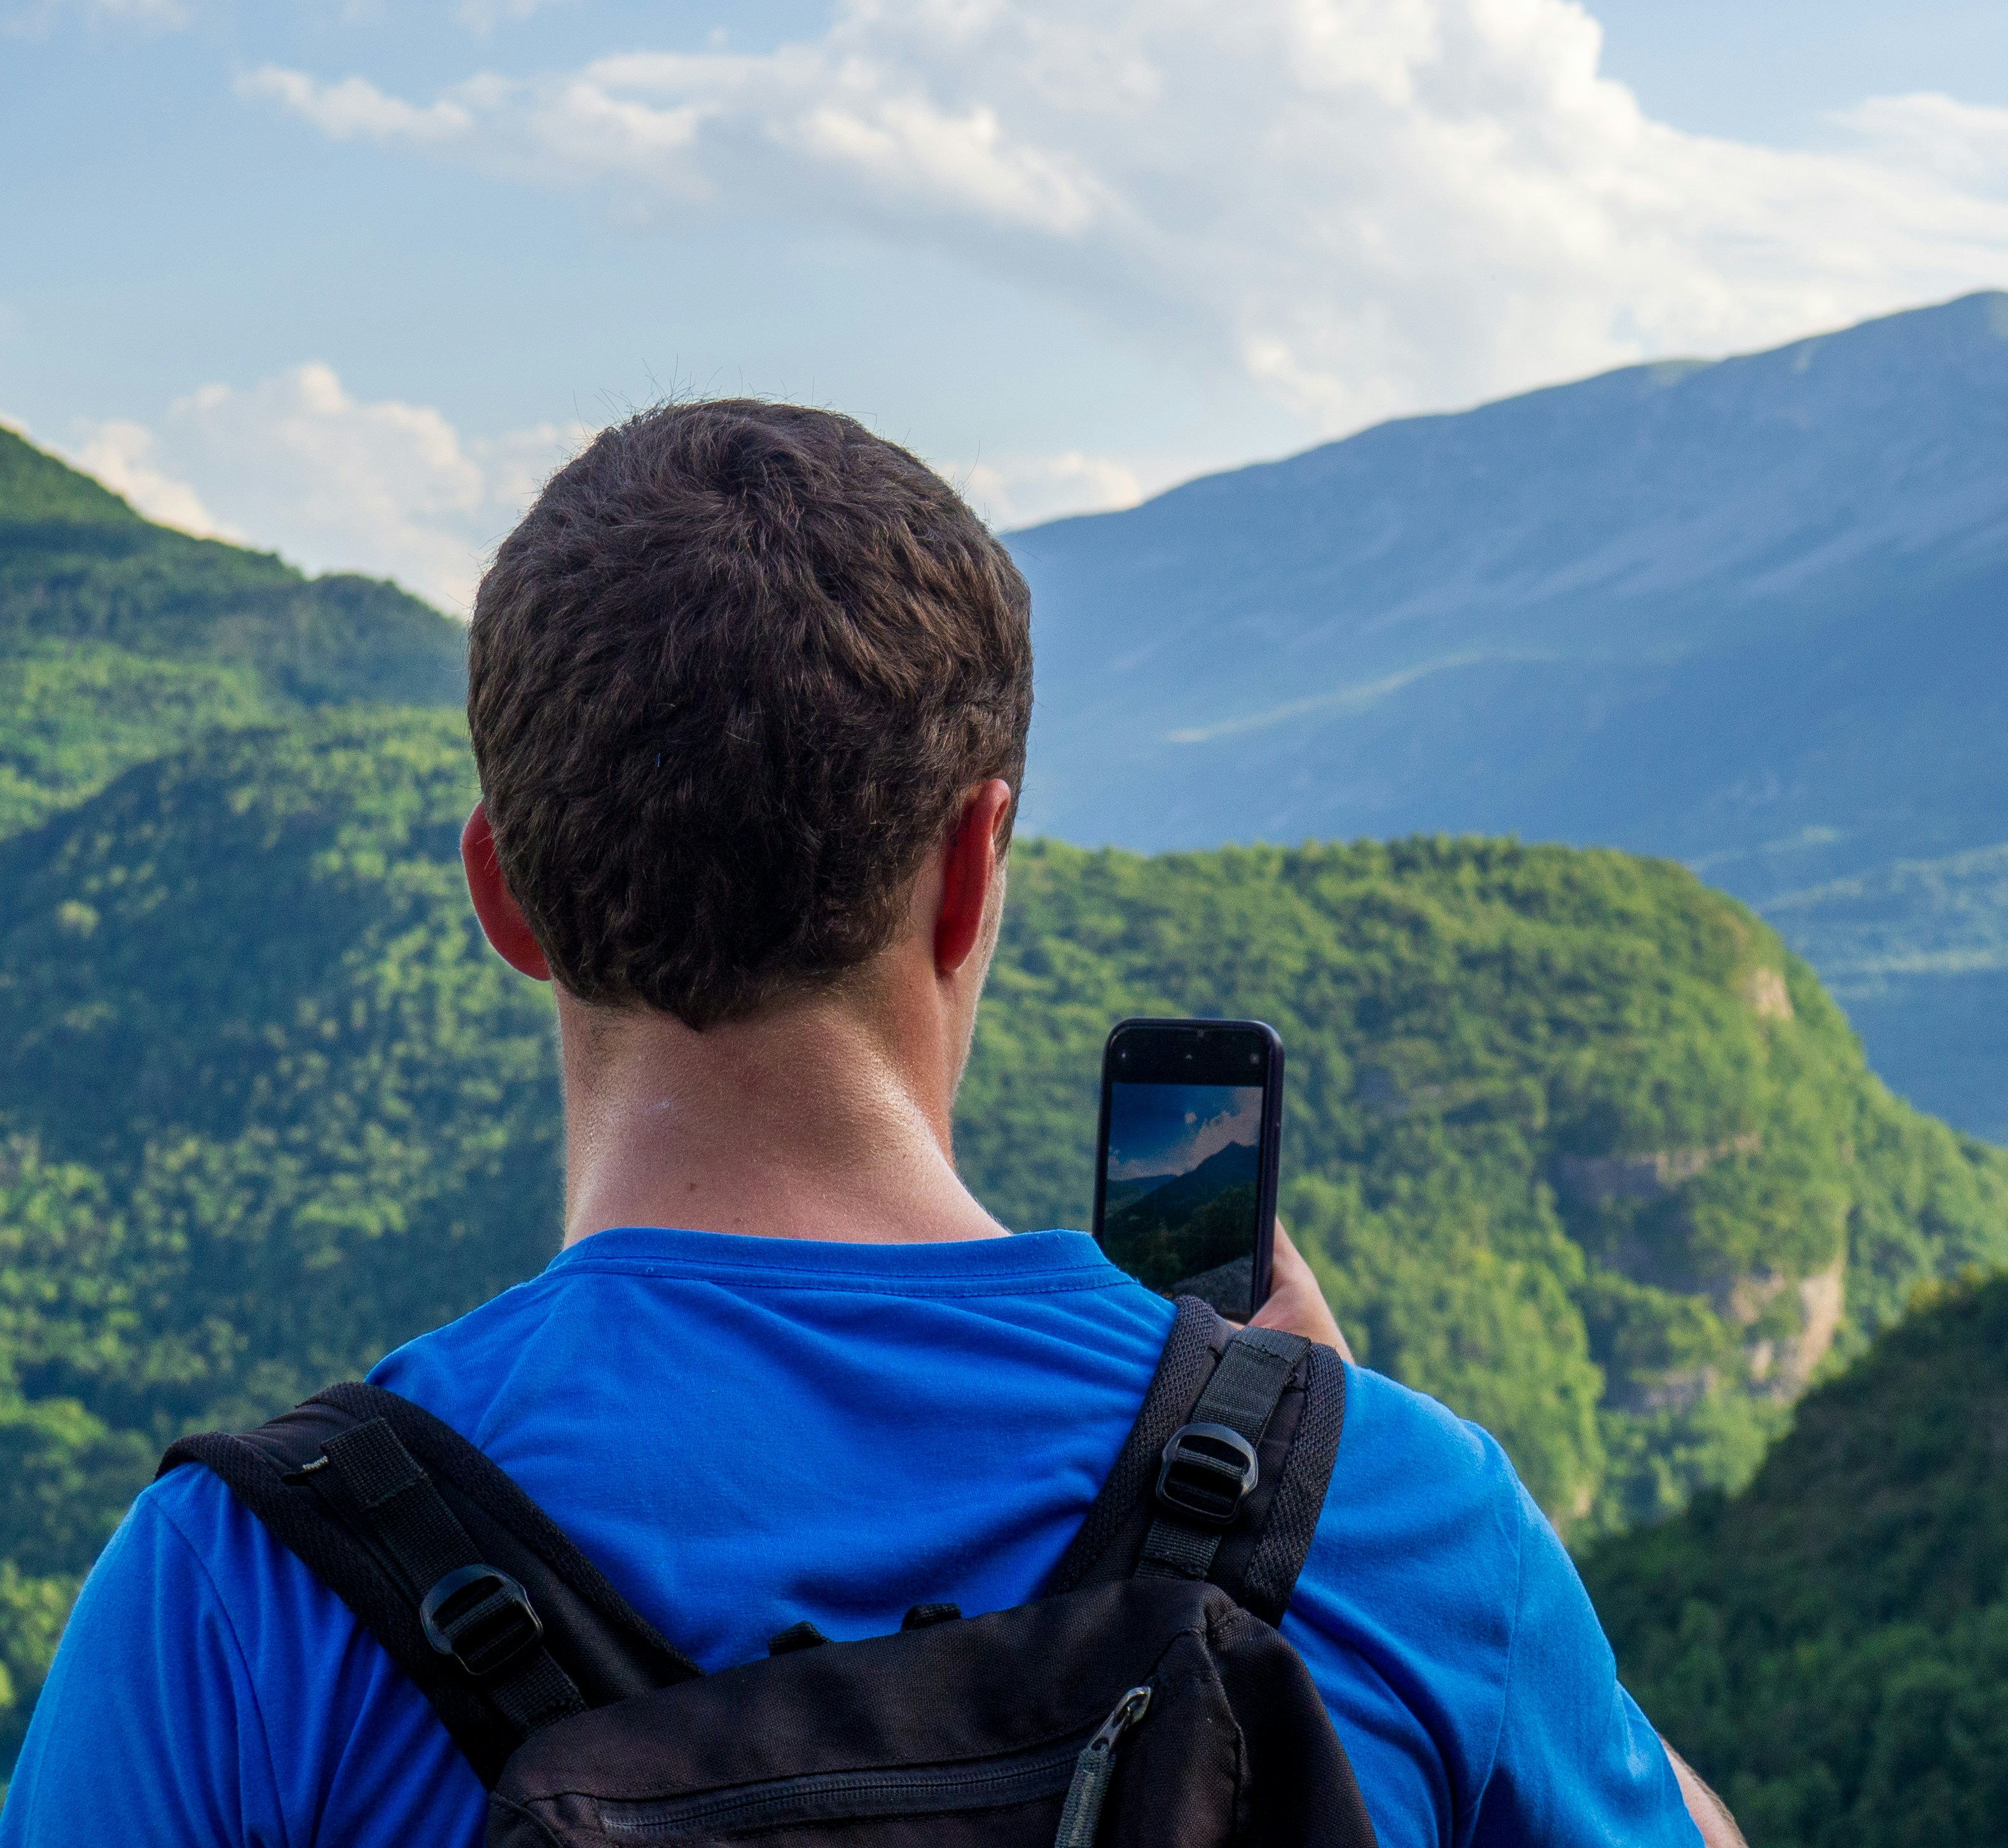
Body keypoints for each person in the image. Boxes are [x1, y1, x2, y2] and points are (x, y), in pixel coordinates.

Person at [1, 401, 1743, 1848]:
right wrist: (1317, 1459)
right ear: (975, 870)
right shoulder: (1403, 1517)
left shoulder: (233, 1600)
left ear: (504, 894)